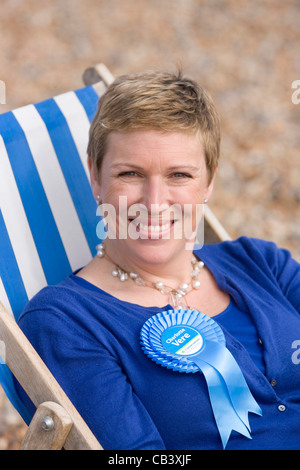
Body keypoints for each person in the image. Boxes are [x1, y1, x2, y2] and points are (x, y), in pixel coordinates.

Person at [16, 70, 300, 450]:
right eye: (130, 173)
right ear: (96, 179)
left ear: (209, 182)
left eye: (179, 175)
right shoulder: (66, 323)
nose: (154, 202)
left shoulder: (261, 263)